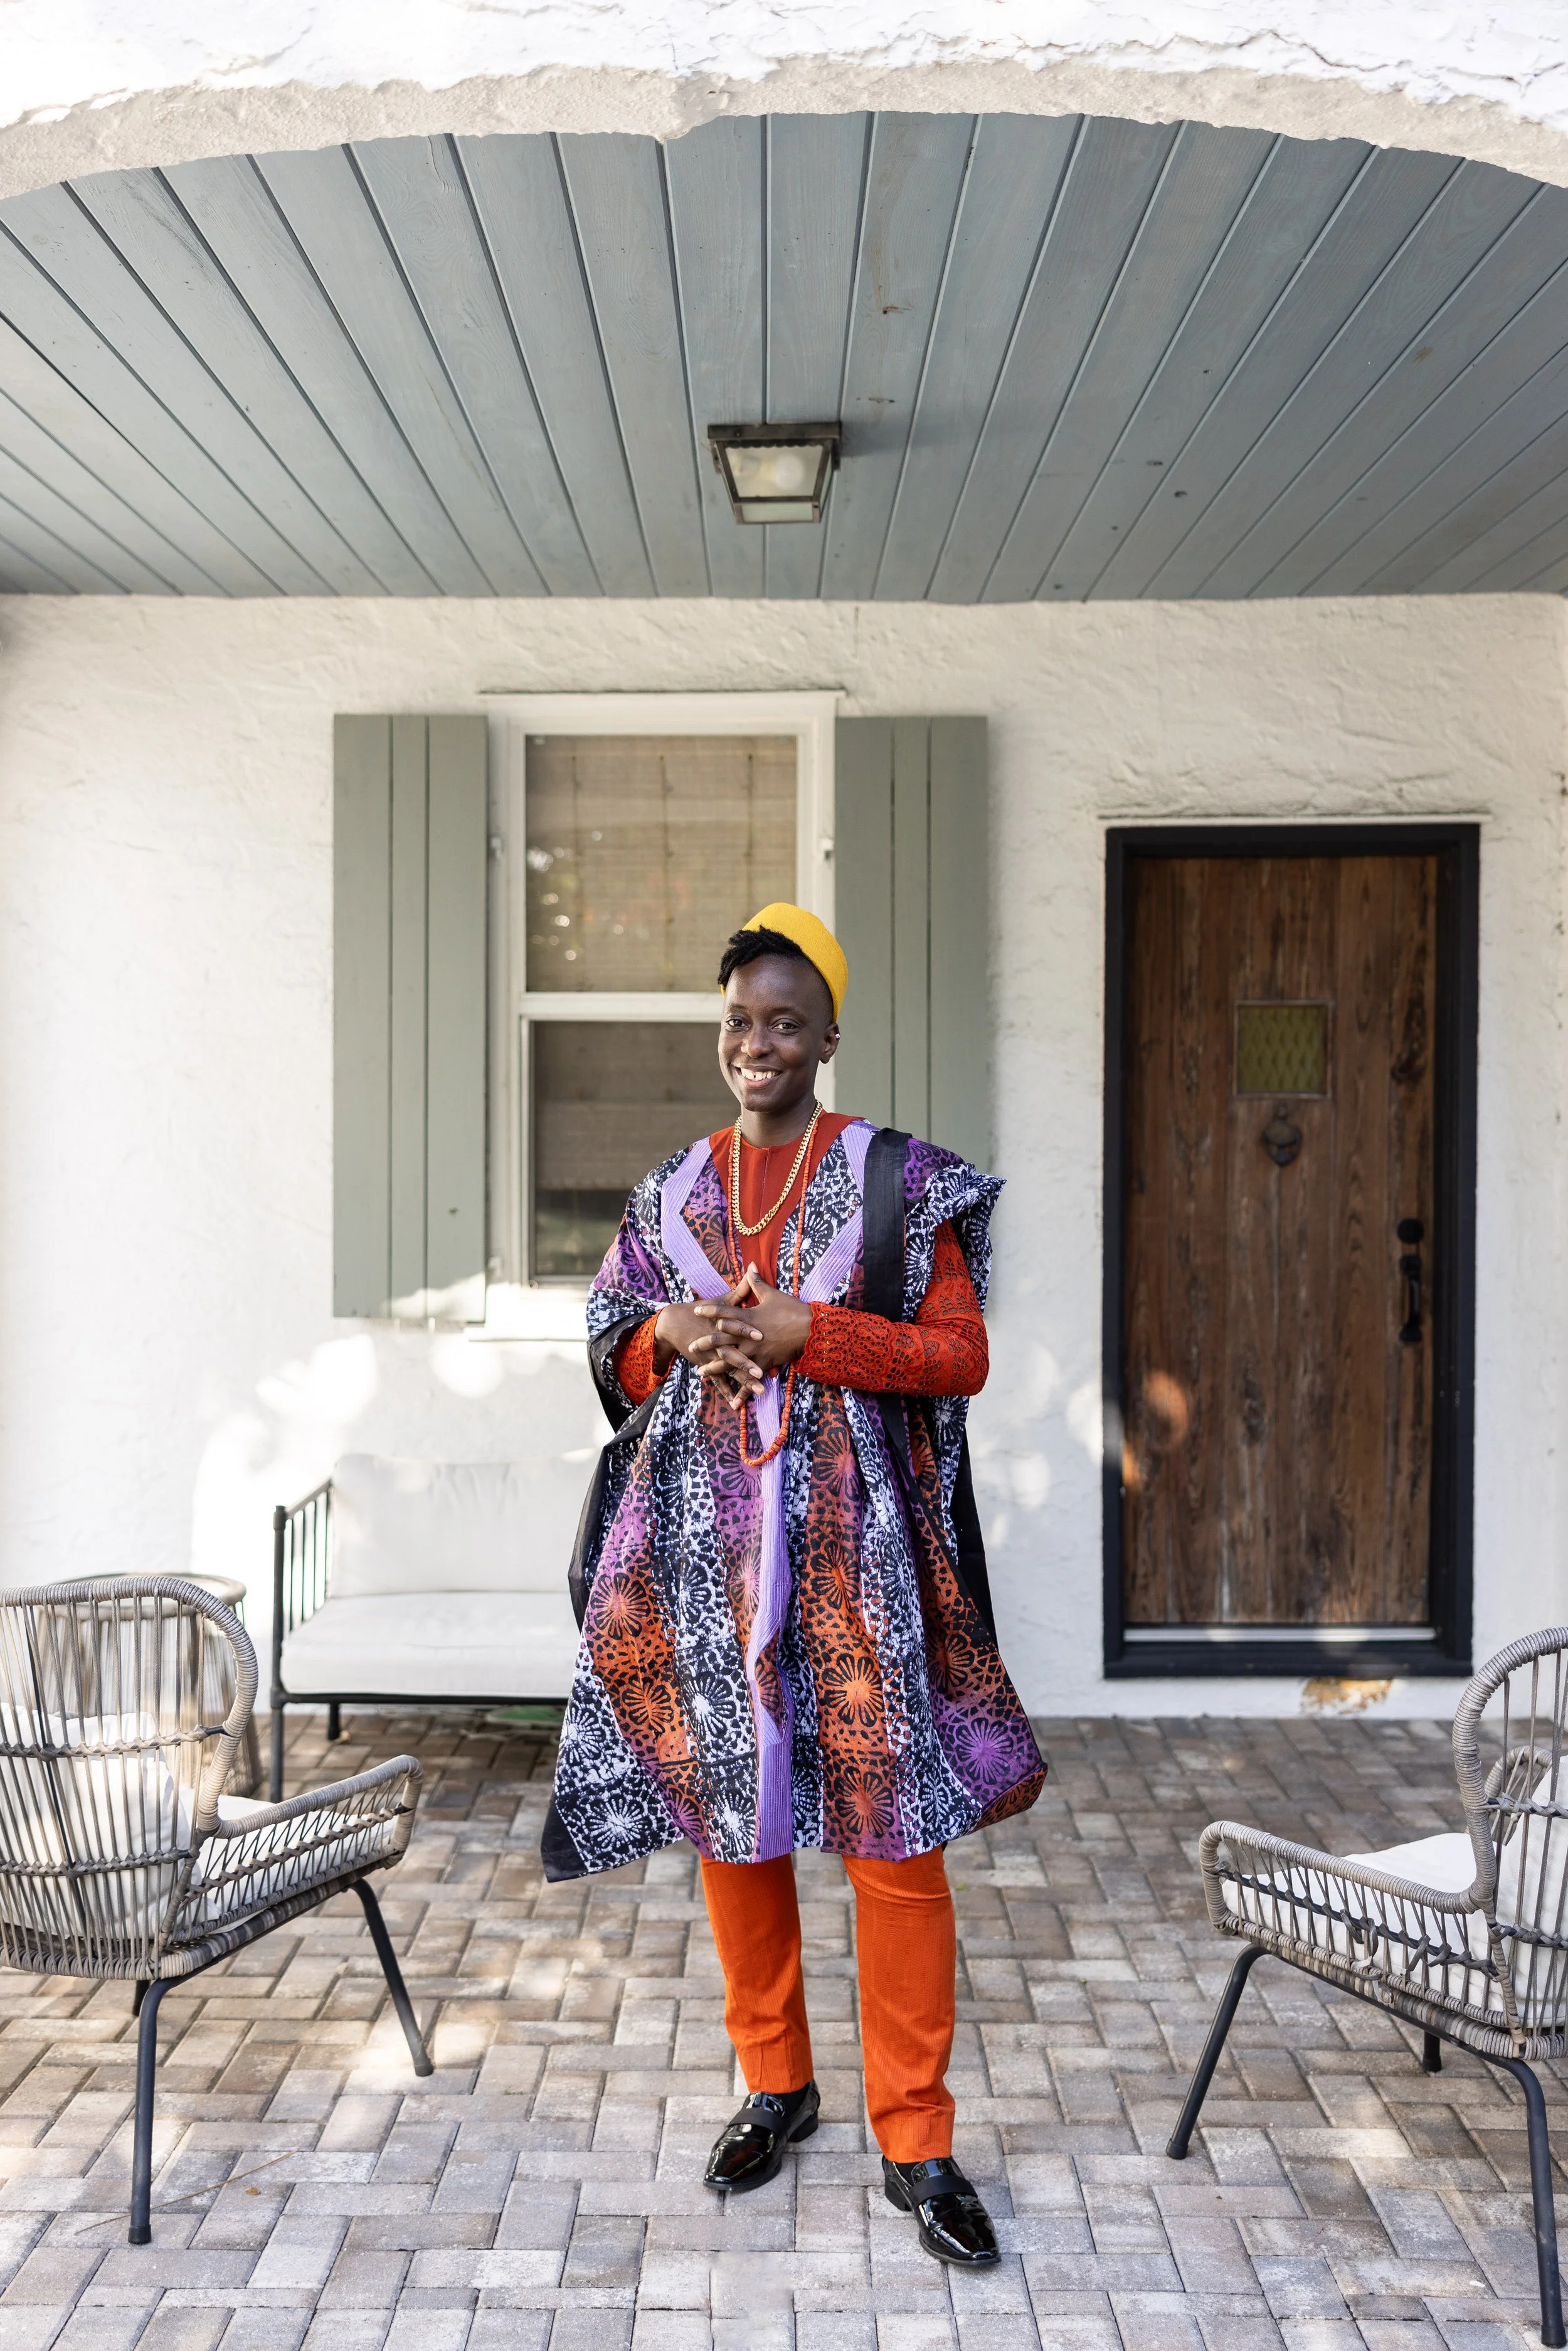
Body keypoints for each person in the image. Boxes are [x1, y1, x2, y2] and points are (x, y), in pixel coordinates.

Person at [543, 903, 1046, 2266]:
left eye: (780, 1020)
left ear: (827, 1033)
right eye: (735, 1021)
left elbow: (957, 1357)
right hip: (703, 1551)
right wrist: (673, 1328)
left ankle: (917, 2136)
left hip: (855, 1561)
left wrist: (802, 1329)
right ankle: (775, 2079)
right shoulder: (668, 1193)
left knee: (893, 1836)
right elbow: (608, 1339)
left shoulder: (896, 1181)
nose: (754, 1042)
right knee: (734, 1819)